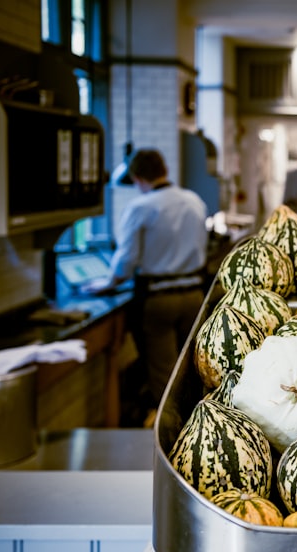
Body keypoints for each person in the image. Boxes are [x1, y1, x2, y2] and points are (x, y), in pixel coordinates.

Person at [84, 148, 209, 424]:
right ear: (164, 169)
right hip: (194, 296)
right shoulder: (194, 201)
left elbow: (126, 260)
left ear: (138, 178)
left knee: (164, 376)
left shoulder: (141, 207)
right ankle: (202, 425)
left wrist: (108, 283)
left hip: (158, 299)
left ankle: (171, 435)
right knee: (191, 369)